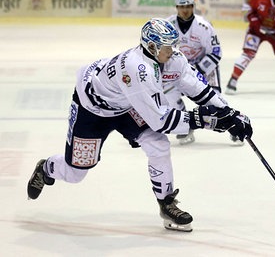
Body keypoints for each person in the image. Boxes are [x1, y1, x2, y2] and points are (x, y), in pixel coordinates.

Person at [27, 18, 252, 232]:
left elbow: (198, 88)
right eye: (167, 47)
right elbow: (161, 120)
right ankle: (46, 168)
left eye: (174, 45)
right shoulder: (137, 69)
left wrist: (231, 113)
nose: (173, 50)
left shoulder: (172, 58)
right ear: (152, 47)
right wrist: (207, 121)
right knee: (76, 173)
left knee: (158, 145)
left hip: (126, 104)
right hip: (92, 108)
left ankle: (166, 204)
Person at [165, 0, 225, 145]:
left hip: (204, 69)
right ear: (176, 7)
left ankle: (234, 125)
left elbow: (216, 52)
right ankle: (185, 126)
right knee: (168, 98)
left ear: (193, 6)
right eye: (181, 6)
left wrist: (198, 70)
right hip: (178, 70)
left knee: (215, 103)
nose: (185, 10)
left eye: (188, 6)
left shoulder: (204, 26)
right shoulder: (167, 25)